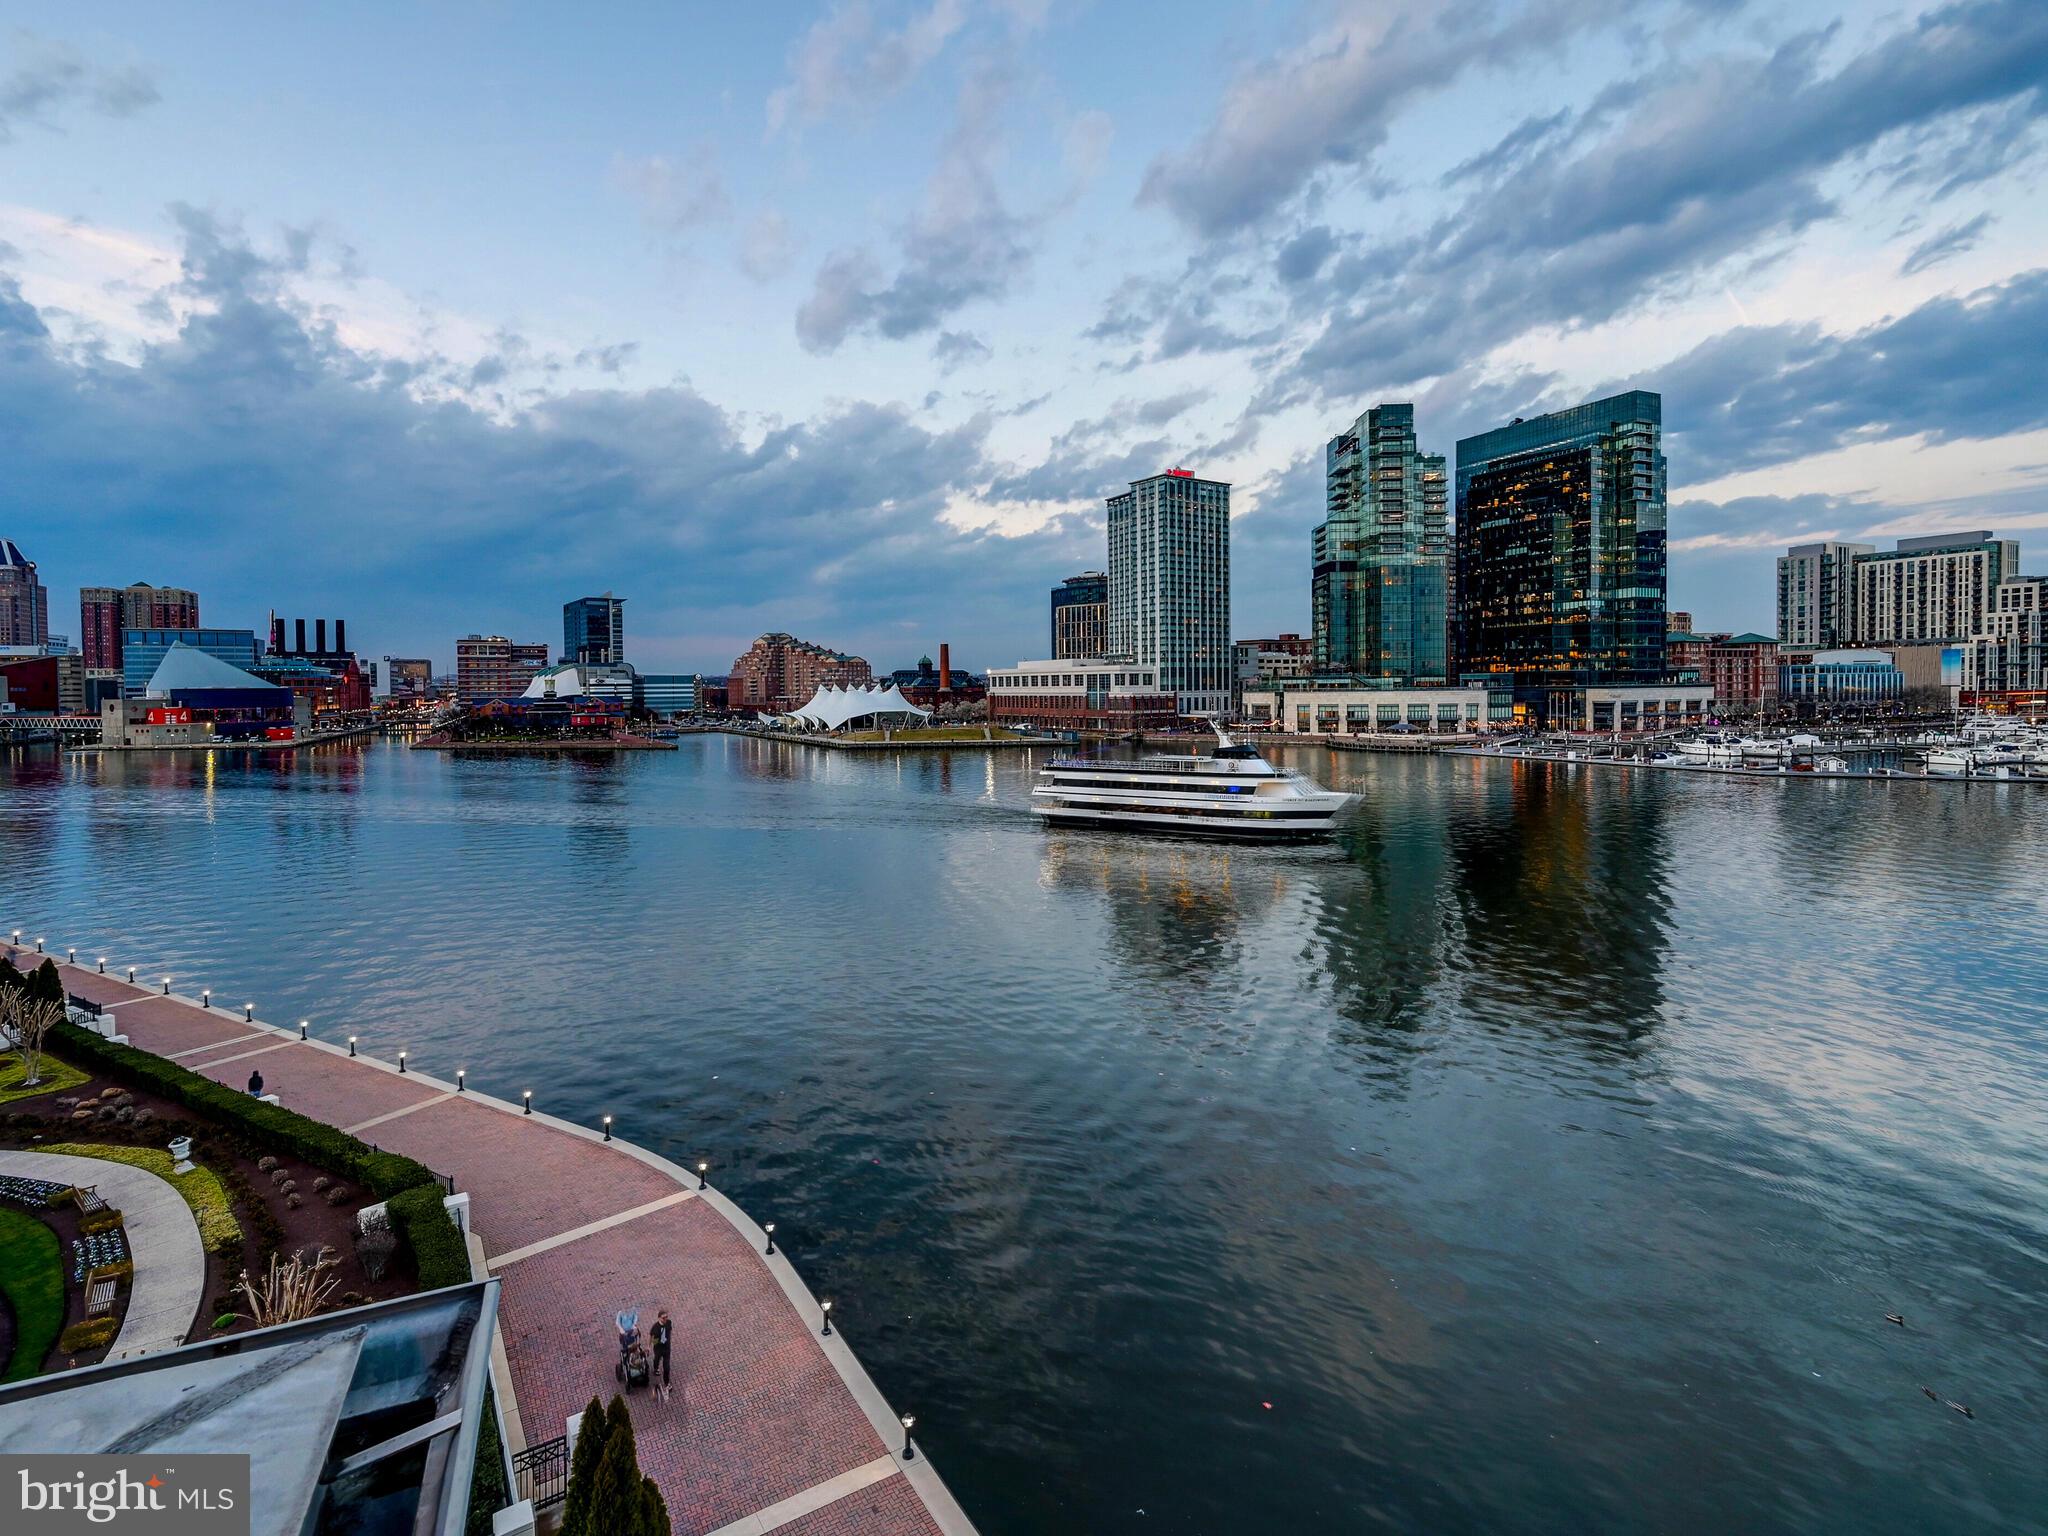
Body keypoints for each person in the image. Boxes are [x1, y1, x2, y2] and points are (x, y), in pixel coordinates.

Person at [650, 1309, 673, 1396]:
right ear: (659, 1318)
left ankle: (666, 1383)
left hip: (666, 1349)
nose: (665, 1319)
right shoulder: (655, 1328)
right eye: (663, 1318)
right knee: (656, 1359)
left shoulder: (669, 1323)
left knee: (666, 1367)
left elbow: (670, 1331)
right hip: (658, 1349)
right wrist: (659, 1340)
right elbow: (653, 1340)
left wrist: (668, 1340)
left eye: (666, 1317)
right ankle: (655, 1368)